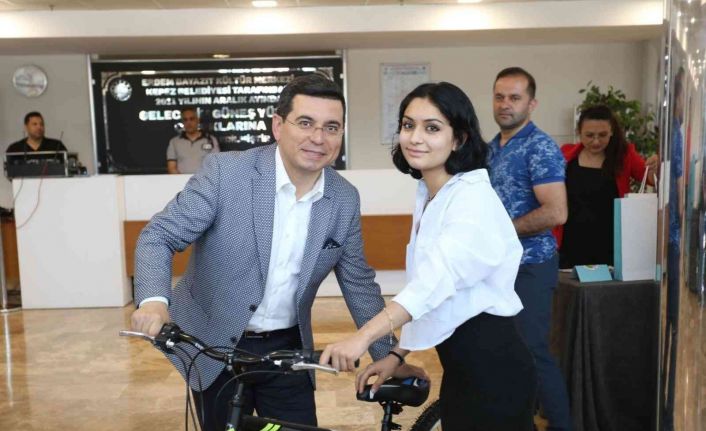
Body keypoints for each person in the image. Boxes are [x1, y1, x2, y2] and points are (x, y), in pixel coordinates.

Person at [130, 74, 391, 430]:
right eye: (305, 123)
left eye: (331, 127)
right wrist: (153, 303)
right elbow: (159, 236)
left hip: (287, 349)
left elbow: (358, 283)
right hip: (215, 343)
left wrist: (388, 354)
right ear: (278, 126)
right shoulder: (226, 173)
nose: (319, 138)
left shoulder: (344, 198)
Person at [320, 82, 537, 431]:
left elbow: (432, 286)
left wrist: (362, 338)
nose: (415, 138)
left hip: (494, 369)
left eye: (432, 128)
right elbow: (434, 298)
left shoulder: (472, 200)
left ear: (459, 139)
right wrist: (396, 355)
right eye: (408, 125)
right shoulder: (431, 192)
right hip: (463, 369)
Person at [487, 67, 571, 431]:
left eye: (515, 97)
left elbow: (556, 212)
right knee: (504, 353)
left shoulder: (540, 146)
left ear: (531, 104)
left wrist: (501, 232)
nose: (505, 104)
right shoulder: (492, 147)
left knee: (533, 352)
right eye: (499, 96)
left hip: (532, 265)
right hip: (496, 268)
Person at [554, 105, 659, 269]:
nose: (596, 141)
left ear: (612, 132)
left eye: (602, 135)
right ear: (579, 132)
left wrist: (657, 166)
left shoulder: (624, 156)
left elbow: (651, 179)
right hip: (571, 242)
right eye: (589, 135)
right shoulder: (565, 155)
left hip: (611, 242)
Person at [166, 107, 220, 174]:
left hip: (204, 179)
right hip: (181, 180)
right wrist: (181, 180)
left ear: (198, 120)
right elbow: (172, 167)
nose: (188, 123)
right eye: (185, 120)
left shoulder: (210, 140)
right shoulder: (174, 142)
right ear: (182, 122)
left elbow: (215, 165)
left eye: (192, 119)